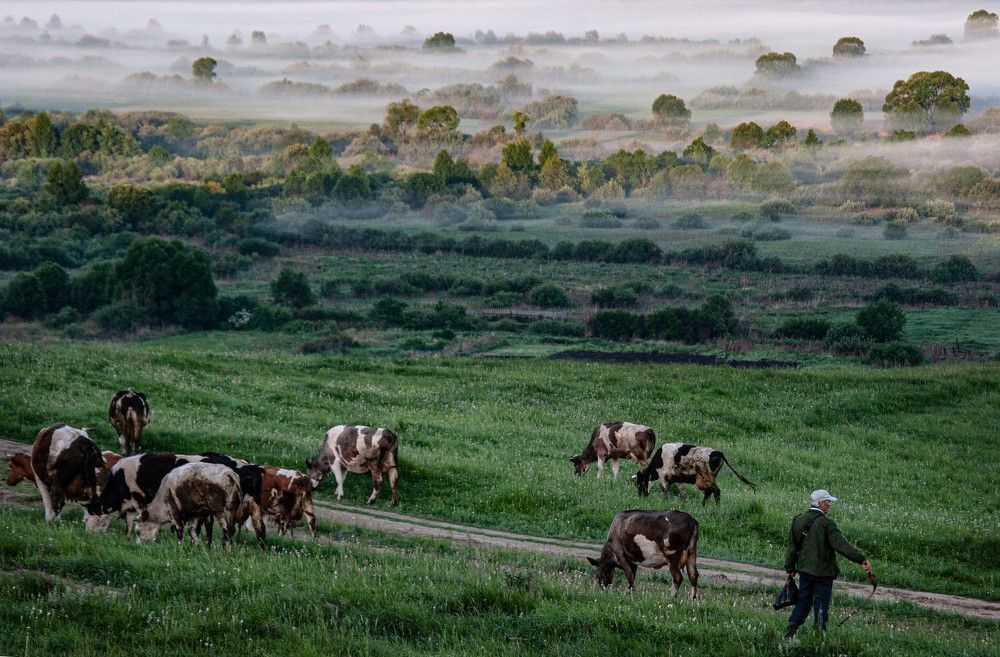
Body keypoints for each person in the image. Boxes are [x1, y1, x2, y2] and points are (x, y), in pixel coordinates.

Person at [783, 489, 872, 638]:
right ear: (819, 503)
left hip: (804, 570)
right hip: (823, 573)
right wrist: (861, 559)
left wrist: (790, 568)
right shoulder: (826, 524)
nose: (830, 505)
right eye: (827, 502)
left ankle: (790, 631)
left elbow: (792, 547)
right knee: (821, 605)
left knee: (804, 601)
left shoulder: (798, 520)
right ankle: (819, 637)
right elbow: (842, 545)